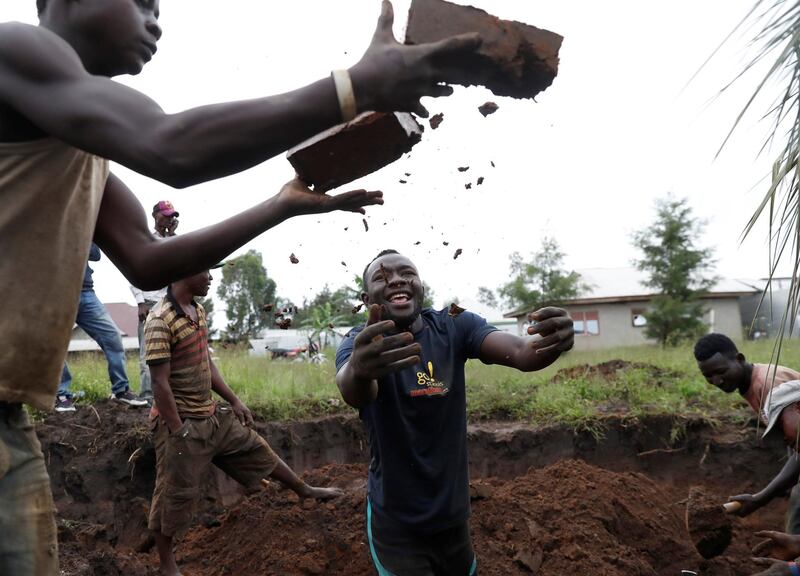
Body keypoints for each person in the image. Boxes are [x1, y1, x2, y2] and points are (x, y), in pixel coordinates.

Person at [0, 1, 482, 573]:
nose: (156, 20)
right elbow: (169, 144)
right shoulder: (15, 47)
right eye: (141, 2)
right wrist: (354, 87)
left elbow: (148, 260)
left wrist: (280, 208)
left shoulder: (82, 150)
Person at [335, 250, 574, 575]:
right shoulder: (358, 345)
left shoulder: (454, 325)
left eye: (407, 272)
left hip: (453, 520)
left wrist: (553, 341)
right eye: (381, 276)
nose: (396, 279)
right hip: (396, 525)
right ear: (366, 298)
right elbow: (354, 391)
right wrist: (362, 370)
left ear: (420, 286)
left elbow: (521, 353)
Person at [145, 268, 341, 576]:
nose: (211, 278)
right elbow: (160, 383)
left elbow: (205, 362)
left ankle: (304, 490)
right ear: (185, 271)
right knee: (174, 494)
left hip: (211, 417)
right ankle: (168, 566)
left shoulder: (197, 310)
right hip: (182, 425)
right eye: (205, 271)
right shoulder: (159, 320)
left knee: (256, 448)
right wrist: (178, 431)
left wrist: (233, 400)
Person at [694, 333, 800, 533]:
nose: (716, 381)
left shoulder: (770, 385)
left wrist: (761, 498)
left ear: (739, 359)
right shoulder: (750, 383)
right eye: (708, 376)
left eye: (721, 371)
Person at [56, 243, 148, 412]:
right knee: (57, 343)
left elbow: (95, 254)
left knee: (112, 335)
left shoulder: (82, 222)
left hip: (86, 291)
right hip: (57, 291)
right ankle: (61, 395)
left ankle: (121, 390)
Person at [130, 201, 180, 401]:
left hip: (171, 303)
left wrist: (171, 237)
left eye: (172, 216)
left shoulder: (175, 241)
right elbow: (132, 271)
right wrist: (140, 302)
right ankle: (147, 395)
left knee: (174, 351)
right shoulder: (146, 239)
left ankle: (172, 394)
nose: (169, 219)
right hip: (150, 303)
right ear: (155, 216)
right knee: (149, 352)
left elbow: (181, 265)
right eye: (166, 215)